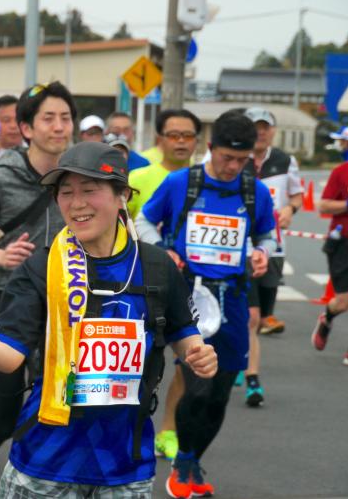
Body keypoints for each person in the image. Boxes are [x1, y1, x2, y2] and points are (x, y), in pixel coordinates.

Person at [0, 142, 217, 499]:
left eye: (89, 190)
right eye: (65, 192)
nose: (76, 203)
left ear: (121, 197)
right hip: (47, 458)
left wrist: (199, 353)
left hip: (125, 463)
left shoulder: (158, 266)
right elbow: (9, 355)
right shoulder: (41, 267)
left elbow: (184, 333)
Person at [135, 110, 277, 498]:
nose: (233, 167)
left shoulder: (254, 191)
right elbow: (145, 222)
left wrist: (263, 254)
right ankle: (182, 462)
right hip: (189, 294)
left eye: (242, 159)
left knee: (219, 394)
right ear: (210, 149)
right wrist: (165, 252)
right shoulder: (183, 182)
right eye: (227, 158)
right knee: (197, 384)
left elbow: (267, 235)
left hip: (231, 295)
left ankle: (194, 456)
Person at [0, 82, 73, 498]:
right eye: (48, 118)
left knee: (53, 405)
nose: (59, 127)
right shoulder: (1, 178)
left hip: (63, 305)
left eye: (65, 118)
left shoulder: (79, 178)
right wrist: (0, 257)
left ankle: (32, 483)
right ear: (26, 127)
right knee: (5, 415)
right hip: (5, 301)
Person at [126, 108, 202, 462]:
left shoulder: (206, 179)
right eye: (174, 135)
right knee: (139, 362)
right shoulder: (139, 176)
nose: (181, 141)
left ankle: (168, 429)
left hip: (191, 287)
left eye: (188, 135)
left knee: (187, 359)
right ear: (160, 139)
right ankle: (130, 426)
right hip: (139, 283)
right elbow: (125, 223)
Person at [238, 107, 303, 408]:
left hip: (274, 246)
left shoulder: (285, 161)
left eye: (266, 127)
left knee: (262, 318)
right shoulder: (235, 160)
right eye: (255, 127)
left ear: (273, 131)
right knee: (251, 318)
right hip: (241, 248)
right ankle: (252, 378)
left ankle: (241, 354)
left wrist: (290, 210)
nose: (261, 132)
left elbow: (297, 196)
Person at [312, 159, 348, 365]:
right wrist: (346, 204)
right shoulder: (341, 172)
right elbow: (324, 204)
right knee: (343, 302)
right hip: (343, 242)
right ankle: (327, 318)